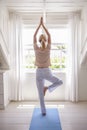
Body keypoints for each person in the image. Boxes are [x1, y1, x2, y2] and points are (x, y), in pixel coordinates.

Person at [33, 17, 63, 116]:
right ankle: (48, 88)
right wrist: (43, 25)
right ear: (45, 40)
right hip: (47, 71)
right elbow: (49, 34)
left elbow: (34, 35)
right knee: (60, 82)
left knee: (40, 95)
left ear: (39, 40)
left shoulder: (36, 48)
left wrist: (39, 25)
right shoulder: (48, 48)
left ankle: (43, 112)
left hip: (38, 72)